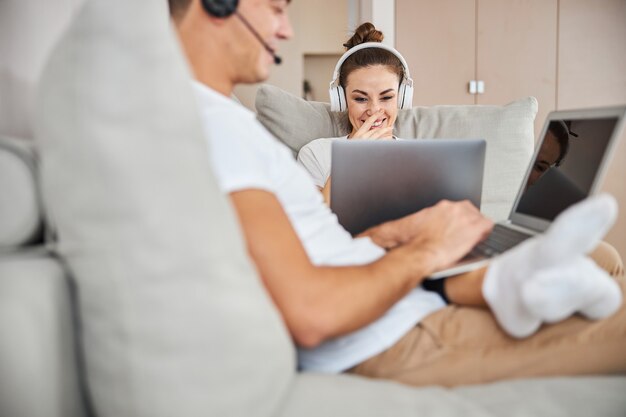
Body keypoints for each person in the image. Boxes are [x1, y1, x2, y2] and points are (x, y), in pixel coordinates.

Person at [169, 0, 626, 386]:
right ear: (218, 5)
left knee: (598, 262)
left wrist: (405, 233)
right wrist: (426, 250)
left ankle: (512, 276)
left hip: (404, 301)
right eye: (275, 8)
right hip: (389, 333)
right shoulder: (213, 131)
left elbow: (313, 247)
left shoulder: (232, 125)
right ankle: (514, 279)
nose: (286, 29)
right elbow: (311, 309)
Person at [297, 22, 404, 204]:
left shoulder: (420, 158)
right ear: (342, 99)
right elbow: (313, 223)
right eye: (361, 99)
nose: (374, 110)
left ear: (402, 99)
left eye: (386, 97)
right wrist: (350, 158)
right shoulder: (316, 153)